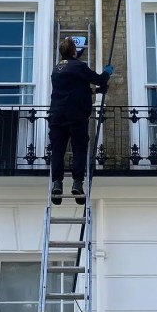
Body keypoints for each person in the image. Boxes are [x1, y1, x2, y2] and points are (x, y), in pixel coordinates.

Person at [49, 37, 113, 205]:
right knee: (79, 148)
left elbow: (74, 89)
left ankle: (57, 184)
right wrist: (107, 73)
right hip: (76, 116)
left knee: (58, 151)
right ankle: (77, 183)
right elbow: (99, 79)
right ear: (74, 51)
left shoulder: (56, 70)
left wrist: (96, 91)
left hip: (56, 116)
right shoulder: (79, 66)